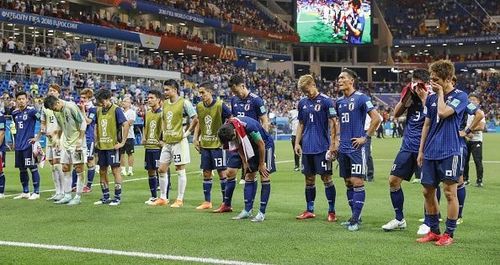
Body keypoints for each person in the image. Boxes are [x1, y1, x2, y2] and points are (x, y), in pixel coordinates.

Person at [416, 60, 468, 246]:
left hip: (450, 150)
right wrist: (421, 150)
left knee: (449, 193)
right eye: (431, 79)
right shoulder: (430, 98)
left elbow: (444, 112)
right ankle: (434, 231)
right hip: (430, 151)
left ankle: (449, 233)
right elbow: (427, 124)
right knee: (427, 191)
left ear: (448, 79)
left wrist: (439, 94)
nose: (432, 83)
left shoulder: (461, 96)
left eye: (436, 79)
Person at [381, 69, 430, 231]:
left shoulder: (433, 95)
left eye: (418, 83)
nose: (416, 86)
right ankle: (399, 219)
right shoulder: (408, 93)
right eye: (413, 82)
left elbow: (435, 116)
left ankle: (429, 221)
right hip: (408, 145)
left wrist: (424, 98)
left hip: (426, 147)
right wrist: (405, 99)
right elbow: (396, 114)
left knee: (428, 186)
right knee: (393, 181)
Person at [335, 68, 381, 231]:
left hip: (356, 147)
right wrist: (336, 140)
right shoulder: (339, 102)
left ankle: (355, 219)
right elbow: (338, 122)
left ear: (351, 81)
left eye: (342, 78)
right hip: (343, 147)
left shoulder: (362, 98)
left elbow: (377, 118)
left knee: (357, 181)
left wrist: (365, 137)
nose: (339, 80)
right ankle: (356, 215)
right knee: (348, 182)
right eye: (339, 78)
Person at [293, 75, 338, 222]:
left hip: (322, 147)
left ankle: (331, 211)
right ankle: (310, 210)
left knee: (327, 178)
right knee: (309, 179)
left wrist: (333, 143)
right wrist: (297, 143)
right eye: (304, 91)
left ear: (313, 84)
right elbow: (301, 124)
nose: (306, 93)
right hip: (307, 148)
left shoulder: (326, 101)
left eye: (307, 90)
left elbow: (333, 122)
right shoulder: (302, 103)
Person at [218, 116, 275, 222]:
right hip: (251, 147)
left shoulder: (249, 127)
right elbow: (238, 145)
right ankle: (247, 210)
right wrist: (245, 161)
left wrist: (262, 164)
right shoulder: (228, 127)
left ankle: (262, 213)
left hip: (265, 146)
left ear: (235, 131)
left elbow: (261, 144)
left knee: (264, 175)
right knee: (248, 175)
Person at [152, 79, 198, 208]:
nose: (165, 92)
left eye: (167, 90)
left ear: (175, 89)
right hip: (168, 142)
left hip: (179, 141)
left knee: (179, 169)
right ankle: (163, 198)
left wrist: (186, 134)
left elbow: (195, 119)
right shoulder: (165, 104)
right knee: (161, 169)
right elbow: (164, 120)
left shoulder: (185, 103)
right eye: (164, 89)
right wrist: (164, 134)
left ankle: (179, 199)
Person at [193, 82, 231, 210]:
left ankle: (226, 202)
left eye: (203, 92)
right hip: (205, 144)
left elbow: (232, 120)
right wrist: (195, 138)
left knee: (222, 173)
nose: (201, 95)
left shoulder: (221, 106)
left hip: (218, 145)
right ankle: (207, 202)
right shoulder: (199, 106)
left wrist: (226, 136)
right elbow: (199, 121)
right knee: (206, 172)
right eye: (200, 93)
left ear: (210, 92)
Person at [43, 95, 87, 205]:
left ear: (57, 102)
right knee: (65, 168)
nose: (54, 111)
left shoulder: (71, 107)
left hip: (77, 143)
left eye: (54, 108)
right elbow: (60, 126)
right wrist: (57, 139)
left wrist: (80, 139)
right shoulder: (56, 111)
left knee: (79, 168)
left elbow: (83, 123)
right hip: (65, 143)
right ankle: (67, 195)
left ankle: (77, 196)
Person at [228, 75, 269, 186]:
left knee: (253, 172)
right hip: (239, 139)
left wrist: (263, 138)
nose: (236, 94)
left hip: (253, 139)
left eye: (236, 91)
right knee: (230, 171)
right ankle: (227, 201)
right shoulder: (233, 100)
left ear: (243, 86)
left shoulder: (256, 100)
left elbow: (264, 120)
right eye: (233, 92)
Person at [94, 89, 129, 206]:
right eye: (99, 101)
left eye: (102, 100)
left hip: (112, 146)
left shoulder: (116, 110)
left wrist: (123, 142)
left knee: (115, 170)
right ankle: (105, 196)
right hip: (101, 146)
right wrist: (96, 141)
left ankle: (117, 197)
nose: (101, 103)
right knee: (102, 171)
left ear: (108, 98)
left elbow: (125, 124)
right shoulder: (98, 111)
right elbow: (96, 126)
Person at [12, 91, 42, 200]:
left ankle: (36, 192)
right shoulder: (14, 113)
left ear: (27, 100)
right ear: (16, 101)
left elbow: (43, 121)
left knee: (33, 168)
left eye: (23, 99)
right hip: (19, 145)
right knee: (22, 169)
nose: (21, 101)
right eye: (19, 99)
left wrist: (37, 137)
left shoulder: (32, 111)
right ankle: (25, 191)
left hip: (28, 145)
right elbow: (17, 128)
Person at [39, 85, 64, 201]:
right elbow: (43, 122)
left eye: (54, 91)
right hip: (49, 140)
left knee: (59, 165)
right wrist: (43, 129)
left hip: (59, 139)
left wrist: (57, 134)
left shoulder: (62, 105)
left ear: (58, 93)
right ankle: (57, 191)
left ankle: (63, 191)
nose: (52, 92)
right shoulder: (45, 107)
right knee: (53, 166)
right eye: (50, 90)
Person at [142, 89, 166, 205]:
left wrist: (163, 141)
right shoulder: (147, 113)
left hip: (158, 148)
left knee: (161, 171)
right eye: (148, 98)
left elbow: (166, 128)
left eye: (152, 98)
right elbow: (144, 126)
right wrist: (144, 137)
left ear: (158, 100)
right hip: (149, 147)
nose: (149, 100)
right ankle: (153, 196)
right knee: (150, 171)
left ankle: (164, 196)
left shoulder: (163, 113)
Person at [463, 94, 485, 187]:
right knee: (465, 161)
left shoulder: (480, 113)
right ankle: (465, 179)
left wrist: (469, 131)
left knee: (477, 160)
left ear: (478, 102)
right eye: (470, 100)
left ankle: (479, 180)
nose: (472, 101)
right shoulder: (466, 113)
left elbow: (481, 126)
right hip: (466, 140)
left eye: (474, 100)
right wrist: (467, 133)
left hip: (476, 140)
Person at [79, 88, 98, 193]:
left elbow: (88, 121)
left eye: (84, 98)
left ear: (89, 98)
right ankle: (74, 185)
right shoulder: (78, 107)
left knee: (89, 161)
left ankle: (88, 186)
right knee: (77, 161)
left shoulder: (93, 109)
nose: (82, 99)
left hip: (88, 139)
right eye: (81, 97)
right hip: (78, 138)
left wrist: (82, 110)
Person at [120, 97, 136, 177]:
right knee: (121, 153)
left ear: (129, 103)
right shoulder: (120, 112)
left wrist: (121, 123)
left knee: (130, 153)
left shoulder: (131, 112)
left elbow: (130, 122)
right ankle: (123, 170)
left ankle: (130, 170)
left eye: (125, 101)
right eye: (123, 101)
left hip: (129, 136)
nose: (123, 103)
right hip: (121, 136)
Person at [289, 106, 300, 171]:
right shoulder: (292, 112)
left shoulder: (305, 111)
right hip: (294, 134)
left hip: (303, 134)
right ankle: (297, 165)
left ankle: (306, 165)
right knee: (296, 151)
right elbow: (289, 121)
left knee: (306, 151)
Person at [0, 112, 6, 198]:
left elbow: (1, 132)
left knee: (0, 170)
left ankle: (1, 192)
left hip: (0, 149)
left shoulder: (0, 116)